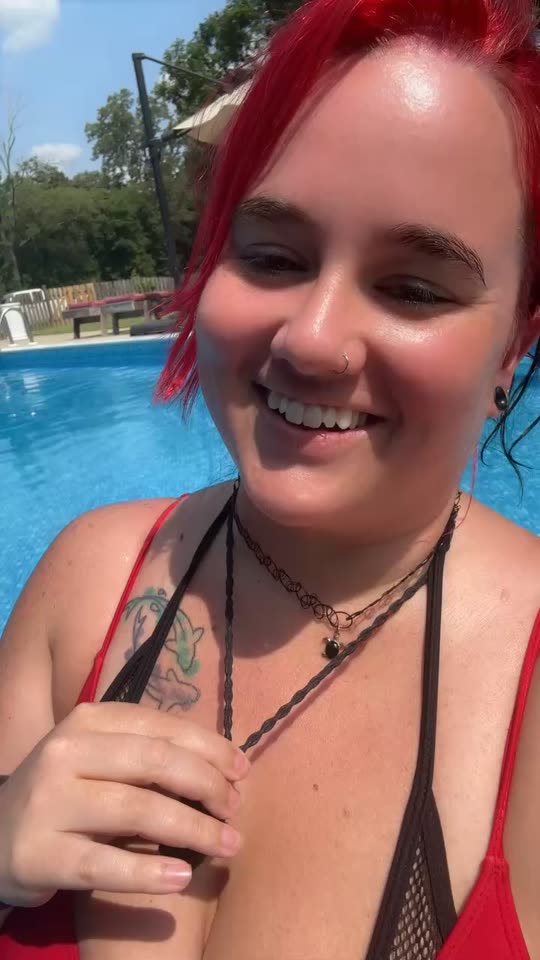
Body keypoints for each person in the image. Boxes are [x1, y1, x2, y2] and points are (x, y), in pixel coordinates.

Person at [1, 0, 540, 957]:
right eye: (273, 257)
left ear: (513, 347)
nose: (313, 340)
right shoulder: (87, 578)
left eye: (415, 287)